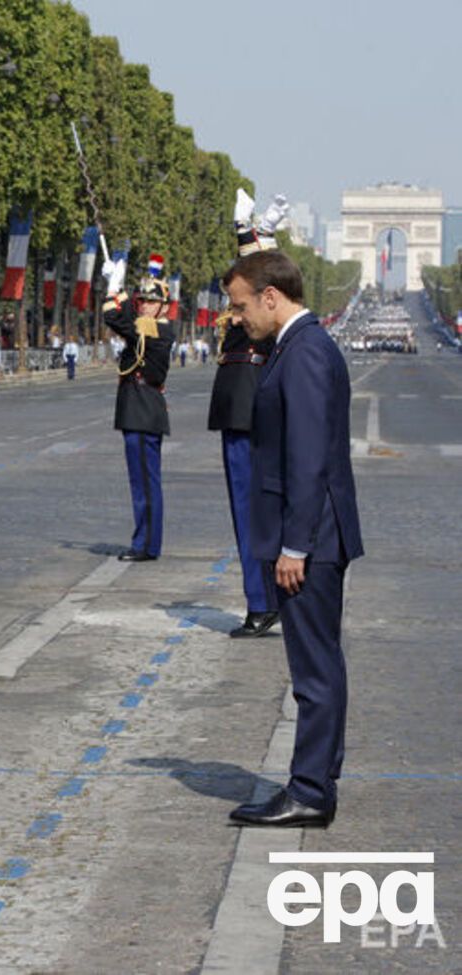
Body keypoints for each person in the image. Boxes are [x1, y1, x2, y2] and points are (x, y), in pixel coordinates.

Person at [225, 249, 362, 829]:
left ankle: (309, 789)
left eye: (240, 305)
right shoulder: (300, 346)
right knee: (321, 663)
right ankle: (318, 778)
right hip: (318, 533)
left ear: (271, 296)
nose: (236, 318)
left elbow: (307, 459)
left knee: (313, 671)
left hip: (311, 538)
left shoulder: (304, 353)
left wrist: (295, 547)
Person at [212, 190, 279, 638]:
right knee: (257, 511)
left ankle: (262, 601)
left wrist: (246, 235)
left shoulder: (259, 310)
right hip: (243, 405)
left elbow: (256, 282)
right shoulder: (249, 308)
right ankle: (266, 597)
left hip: (246, 408)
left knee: (250, 510)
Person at [103, 262, 176, 562]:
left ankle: (146, 544)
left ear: (163, 306)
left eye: (152, 301)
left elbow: (114, 318)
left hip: (144, 410)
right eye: (142, 300)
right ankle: (145, 540)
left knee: (145, 482)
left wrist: (112, 289)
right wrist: (118, 290)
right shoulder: (146, 326)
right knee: (141, 481)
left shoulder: (159, 328)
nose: (145, 305)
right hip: (138, 408)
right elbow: (126, 320)